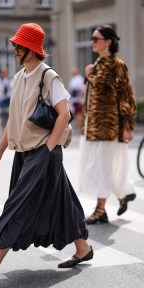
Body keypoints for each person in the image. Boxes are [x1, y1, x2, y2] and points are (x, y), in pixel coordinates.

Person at [0, 23, 93, 282]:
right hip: (25, 152)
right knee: (60, 202)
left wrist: (48, 148)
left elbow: (64, 114)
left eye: (17, 46)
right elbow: (15, 119)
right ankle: (83, 248)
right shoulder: (19, 77)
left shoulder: (48, 76)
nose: (14, 49)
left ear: (30, 48)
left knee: (19, 204)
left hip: (44, 151)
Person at [77, 25, 137, 225]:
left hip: (108, 125)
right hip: (93, 125)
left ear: (108, 42)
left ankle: (100, 210)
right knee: (99, 165)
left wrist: (128, 125)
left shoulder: (117, 64)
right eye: (92, 38)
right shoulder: (98, 63)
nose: (92, 42)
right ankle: (123, 194)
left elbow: (125, 96)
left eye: (96, 38)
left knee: (102, 166)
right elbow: (91, 96)